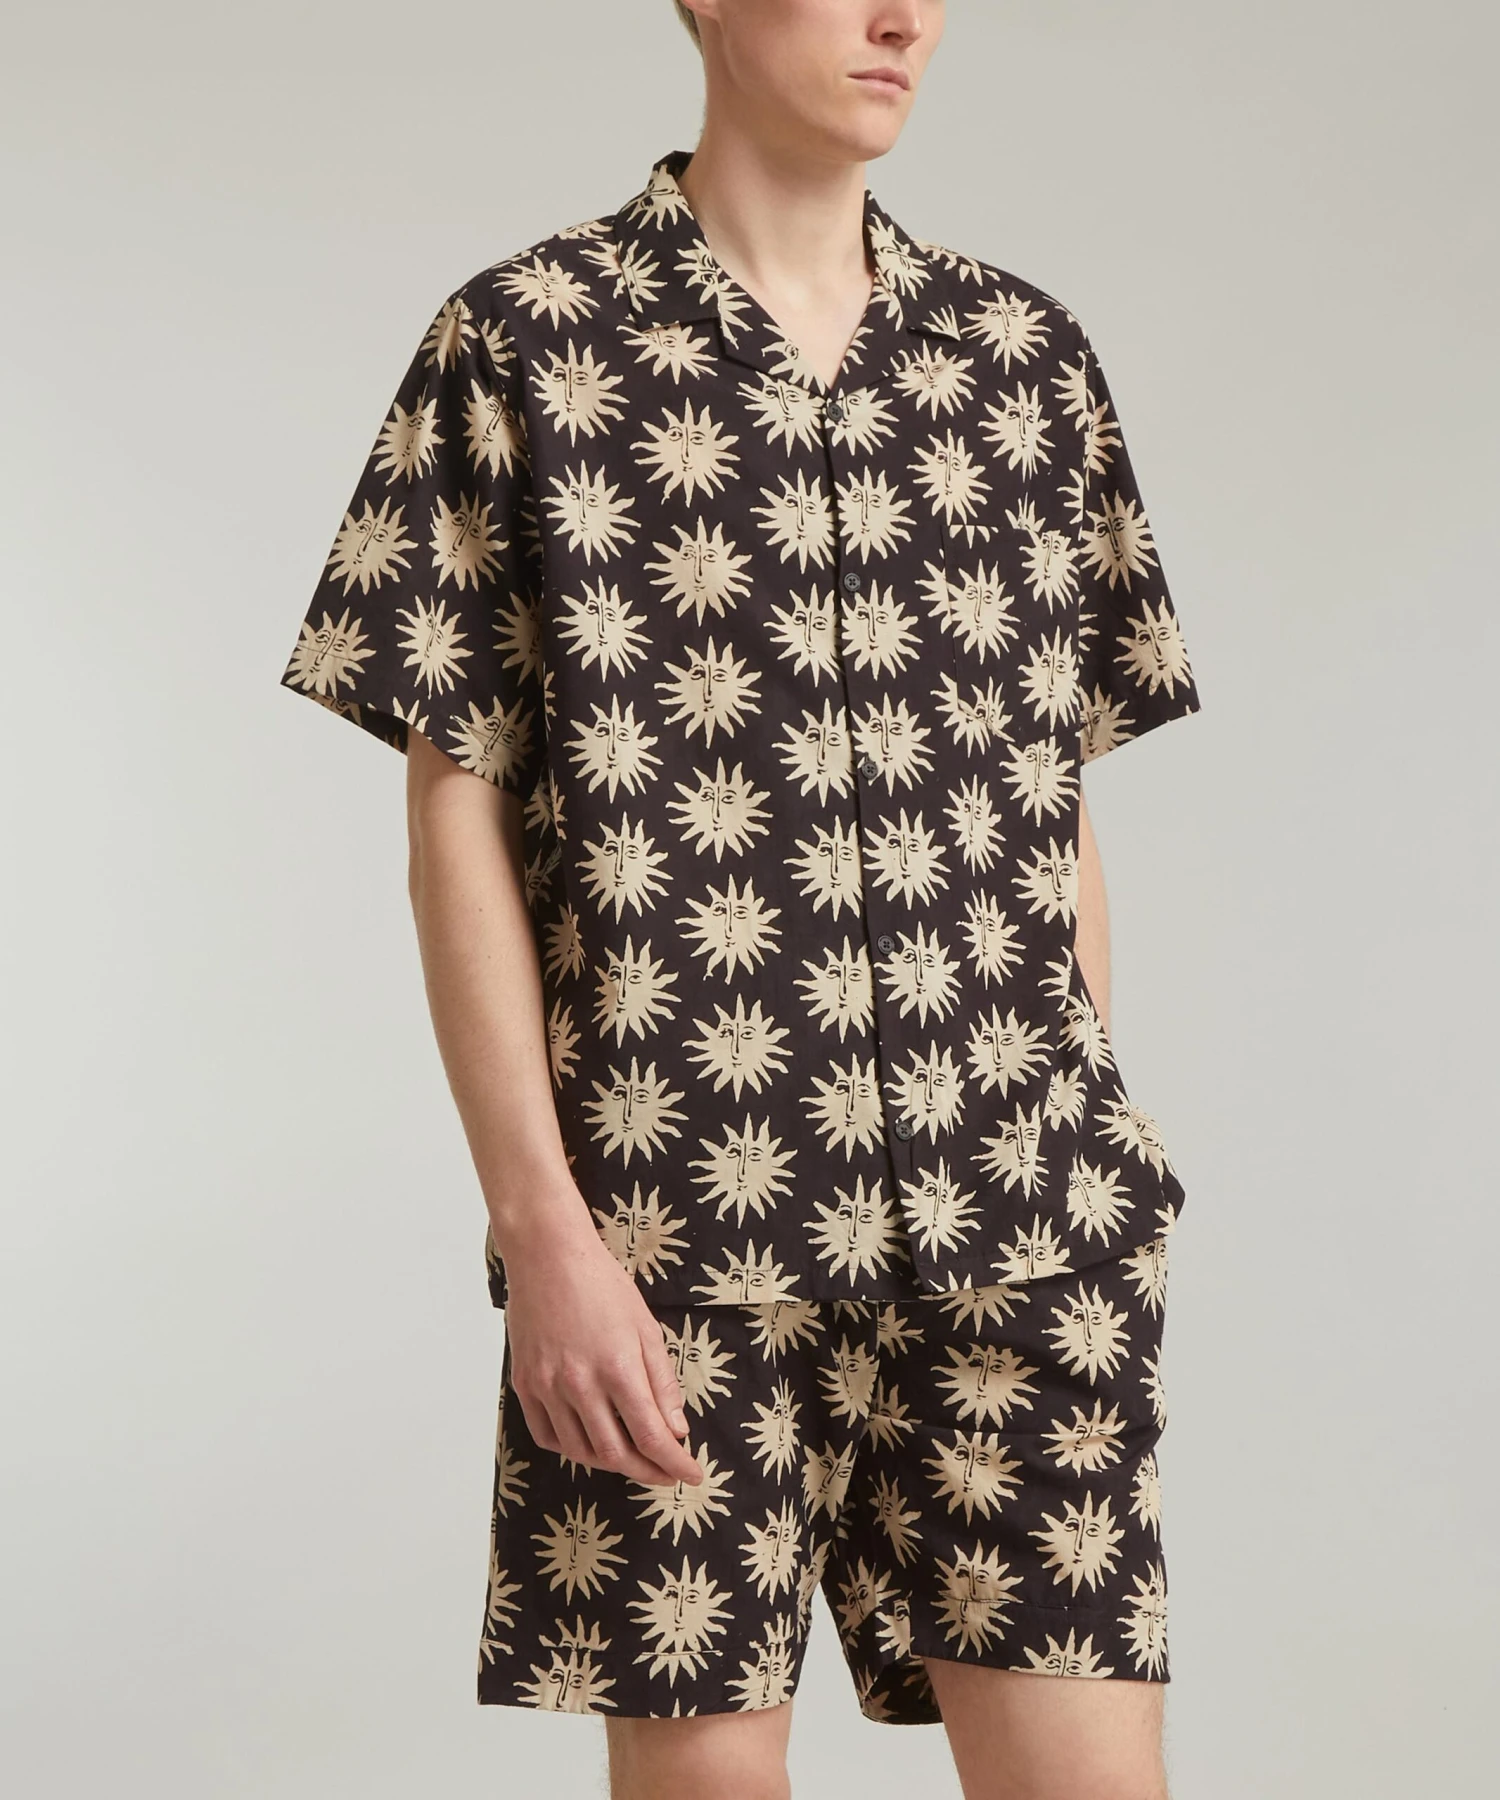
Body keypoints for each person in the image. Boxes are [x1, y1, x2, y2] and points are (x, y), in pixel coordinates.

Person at [278, 2, 1202, 1794]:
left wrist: (1095, 1116)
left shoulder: (1024, 363)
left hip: (1026, 1223)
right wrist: (544, 1234)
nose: (904, 16)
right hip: (673, 1243)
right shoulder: (524, 344)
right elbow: (455, 815)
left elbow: (1052, 788)